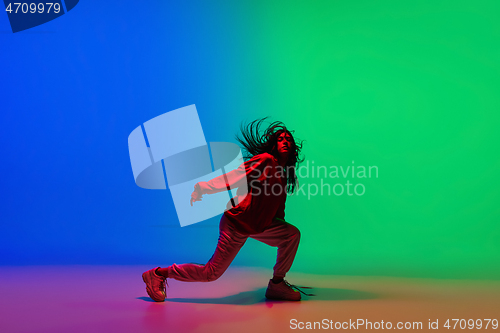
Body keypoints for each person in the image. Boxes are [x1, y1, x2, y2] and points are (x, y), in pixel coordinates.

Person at [142, 118, 312, 302]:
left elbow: (278, 209)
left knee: (291, 235)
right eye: (281, 138)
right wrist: (204, 187)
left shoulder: (283, 174)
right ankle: (159, 274)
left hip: (259, 225)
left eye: (288, 139)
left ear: (293, 148)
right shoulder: (266, 160)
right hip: (237, 223)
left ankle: (277, 284)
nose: (285, 141)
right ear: (273, 145)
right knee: (211, 273)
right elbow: (236, 175)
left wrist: (279, 230)